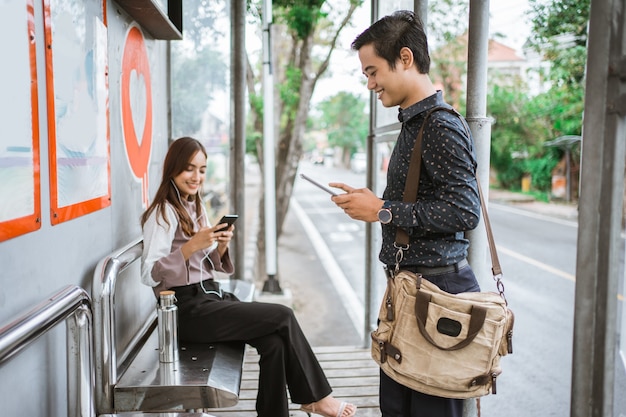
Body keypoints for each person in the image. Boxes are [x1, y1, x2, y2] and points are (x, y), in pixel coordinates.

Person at [329, 10, 481, 417]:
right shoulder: (415, 124)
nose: (370, 83)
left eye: (373, 71)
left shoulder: (439, 126)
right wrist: (376, 205)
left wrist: (382, 211)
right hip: (413, 293)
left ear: (406, 59)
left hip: (437, 297)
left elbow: (465, 211)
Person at [140, 137, 356, 417]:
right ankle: (316, 398)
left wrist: (219, 245)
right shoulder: (162, 213)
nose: (197, 177)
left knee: (275, 344)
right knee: (283, 315)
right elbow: (150, 274)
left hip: (208, 297)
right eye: (189, 169)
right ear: (173, 169)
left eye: (202, 170)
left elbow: (205, 265)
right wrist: (192, 245)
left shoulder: (194, 206)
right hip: (187, 311)